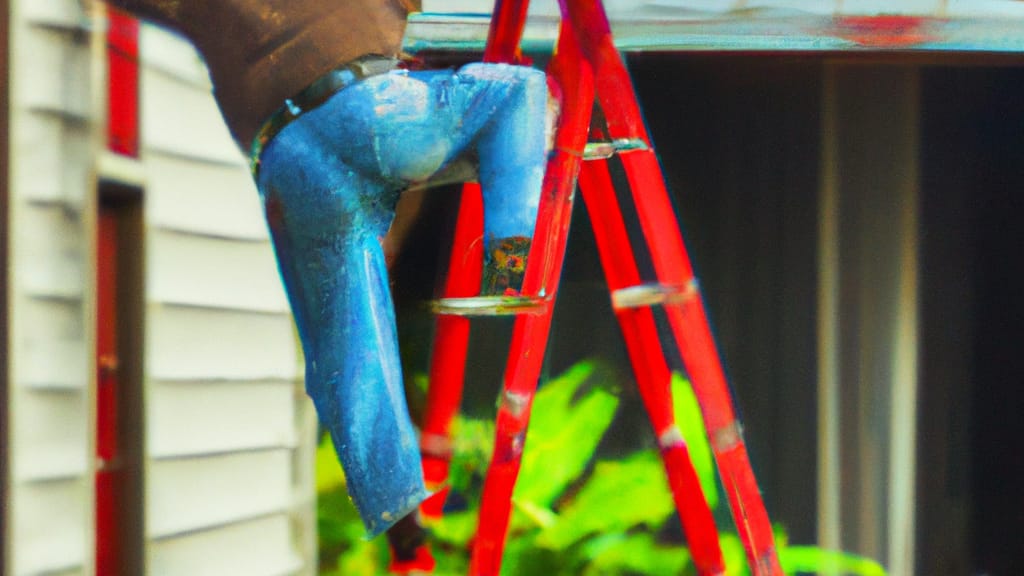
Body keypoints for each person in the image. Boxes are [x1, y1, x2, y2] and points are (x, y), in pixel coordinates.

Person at [109, 0, 550, 539]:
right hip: (369, 112)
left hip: (286, 161)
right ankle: (509, 270)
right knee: (518, 95)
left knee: (347, 352)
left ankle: (396, 516)